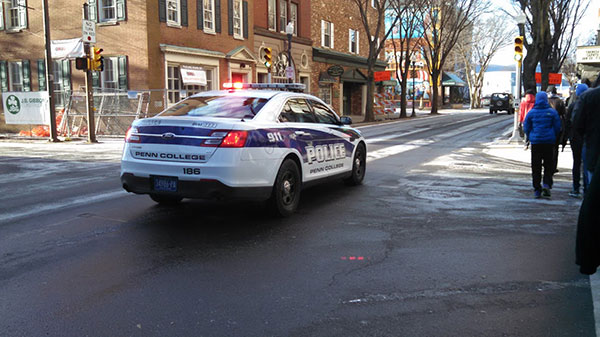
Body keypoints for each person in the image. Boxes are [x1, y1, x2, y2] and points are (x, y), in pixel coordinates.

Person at [575, 78, 600, 275]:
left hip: (594, 155)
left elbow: (578, 125)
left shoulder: (588, 97)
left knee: (593, 205)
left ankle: (590, 259)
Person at [523, 92, 561, 198]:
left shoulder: (531, 113)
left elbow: (526, 127)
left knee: (536, 166)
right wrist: (553, 135)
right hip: (549, 142)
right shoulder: (552, 112)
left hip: (536, 142)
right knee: (548, 165)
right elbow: (557, 127)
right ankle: (547, 184)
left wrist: (531, 136)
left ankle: (537, 189)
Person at [566, 83, 589, 197]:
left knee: (577, 162)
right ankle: (586, 188)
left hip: (575, 138)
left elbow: (568, 122)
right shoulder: (592, 104)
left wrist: (565, 137)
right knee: (586, 163)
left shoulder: (574, 105)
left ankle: (576, 188)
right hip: (586, 138)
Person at [546, 85, 567, 174]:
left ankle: (547, 165)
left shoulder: (546, 102)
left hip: (547, 126)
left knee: (547, 147)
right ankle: (553, 166)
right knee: (555, 147)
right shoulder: (560, 101)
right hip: (557, 126)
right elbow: (563, 114)